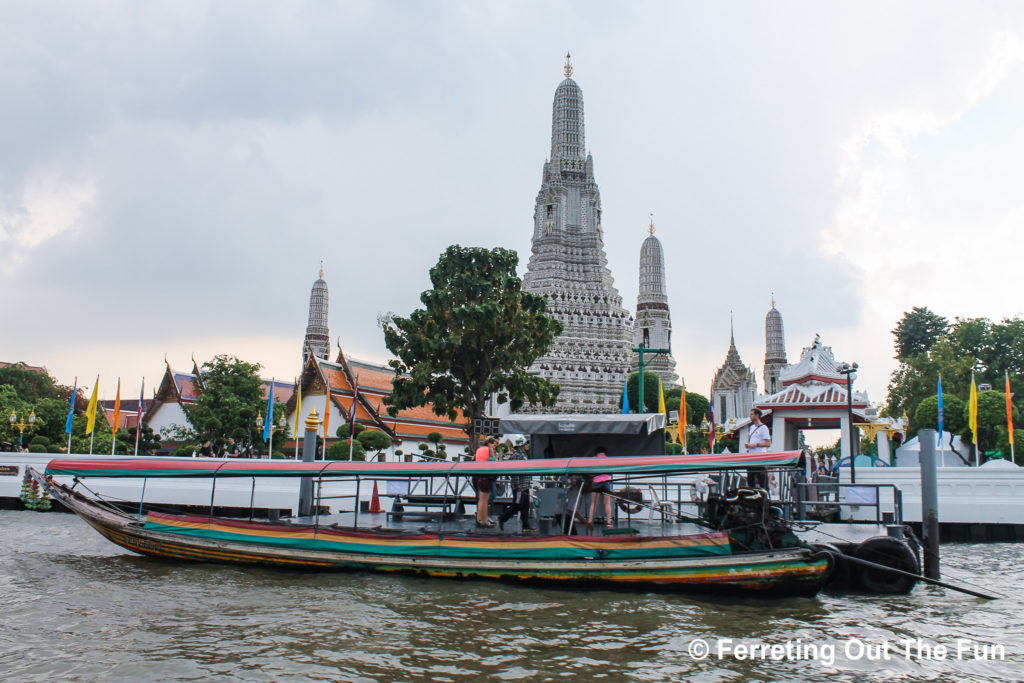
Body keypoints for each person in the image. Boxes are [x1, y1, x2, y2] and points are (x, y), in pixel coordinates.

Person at [498, 439, 534, 532]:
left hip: (525, 484)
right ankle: (502, 518)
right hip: (520, 485)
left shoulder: (524, 455)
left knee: (525, 505)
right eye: (526, 444)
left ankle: (526, 525)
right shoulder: (517, 455)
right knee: (517, 504)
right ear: (521, 446)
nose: (527, 446)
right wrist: (517, 485)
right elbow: (515, 471)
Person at [587, 446, 614, 528]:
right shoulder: (608, 459)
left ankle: (590, 521)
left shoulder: (593, 459)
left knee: (594, 503)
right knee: (607, 503)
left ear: (596, 452)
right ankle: (609, 522)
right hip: (606, 481)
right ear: (605, 452)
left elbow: (590, 471)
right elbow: (610, 472)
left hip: (596, 482)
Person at [472, 437, 496, 527]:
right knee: (484, 500)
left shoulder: (478, 450)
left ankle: (480, 519)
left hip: (477, 476)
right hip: (486, 476)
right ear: (489, 444)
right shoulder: (490, 450)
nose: (494, 446)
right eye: (494, 444)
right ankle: (483, 520)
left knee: (481, 500)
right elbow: (496, 462)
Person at [745, 409, 771, 489]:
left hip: (760, 457)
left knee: (762, 480)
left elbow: (768, 443)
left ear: (757, 415)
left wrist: (756, 445)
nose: (750, 416)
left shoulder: (763, 428)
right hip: (751, 457)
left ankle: (765, 497)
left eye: (752, 414)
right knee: (750, 480)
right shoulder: (752, 427)